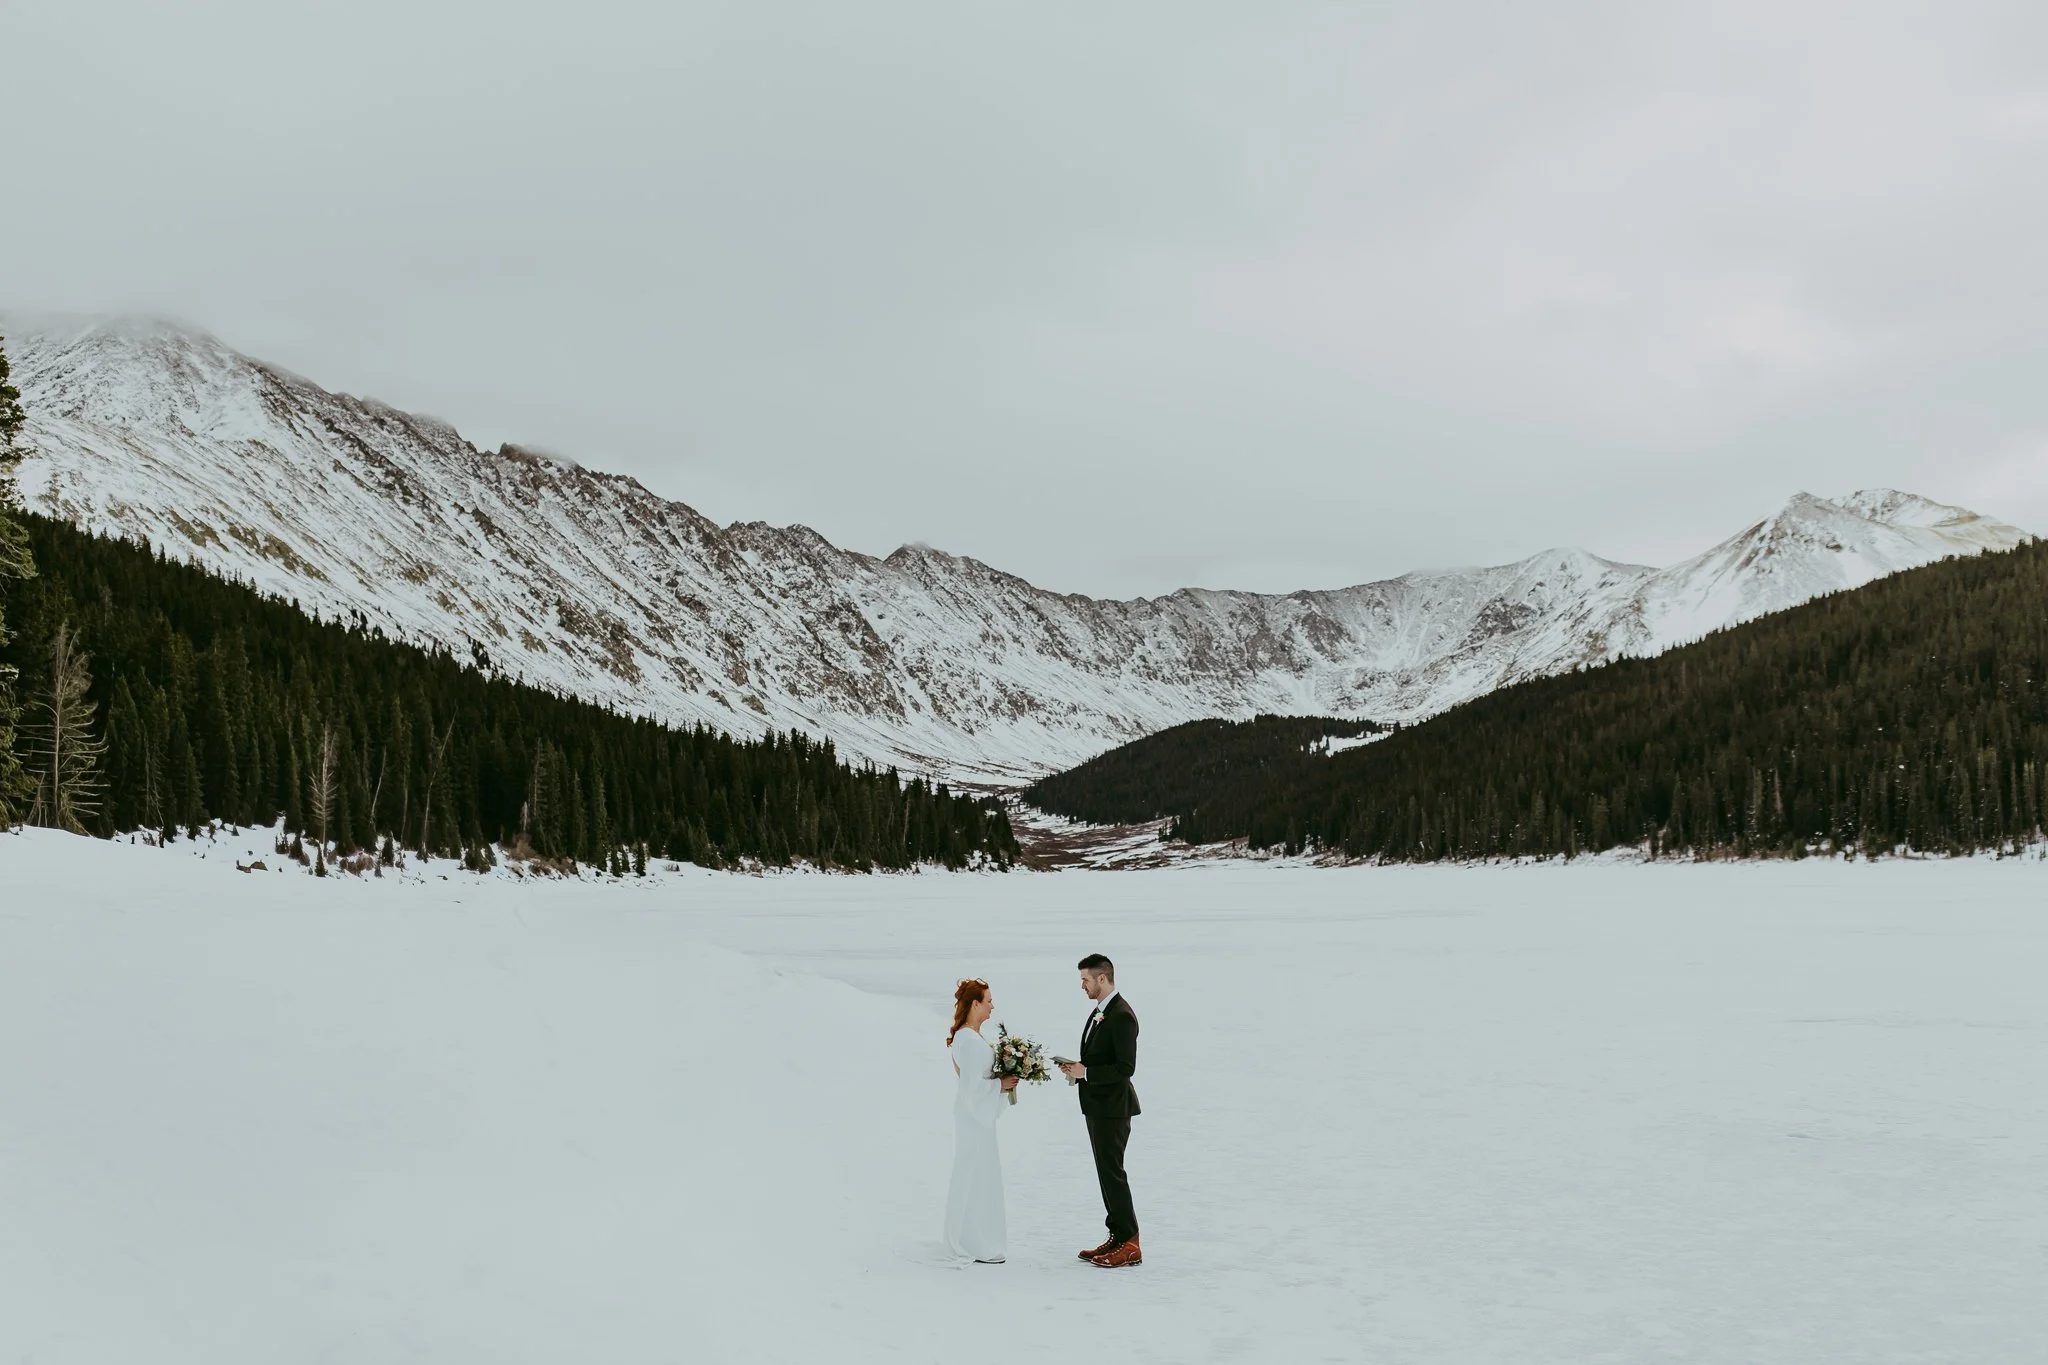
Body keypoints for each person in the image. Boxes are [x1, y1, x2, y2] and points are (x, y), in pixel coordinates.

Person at [1057, 953, 1141, 1267]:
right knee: (1106, 1173)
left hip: (1114, 1109)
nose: (1082, 986)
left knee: (1113, 1173)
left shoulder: (1121, 1015)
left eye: (1086, 980)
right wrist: (1078, 1069)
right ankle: (1117, 1235)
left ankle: (1130, 1242)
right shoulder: (1101, 1012)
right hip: (1097, 1106)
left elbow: (1126, 1068)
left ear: (1102, 978)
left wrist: (1087, 1073)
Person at [943, 978, 1018, 1263]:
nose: (992, 1006)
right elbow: (971, 1089)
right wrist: (1001, 1085)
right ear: (975, 1004)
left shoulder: (968, 1036)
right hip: (975, 1119)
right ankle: (975, 1242)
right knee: (976, 1176)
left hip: (974, 1117)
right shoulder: (971, 1042)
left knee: (976, 1174)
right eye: (988, 1001)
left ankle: (970, 1235)